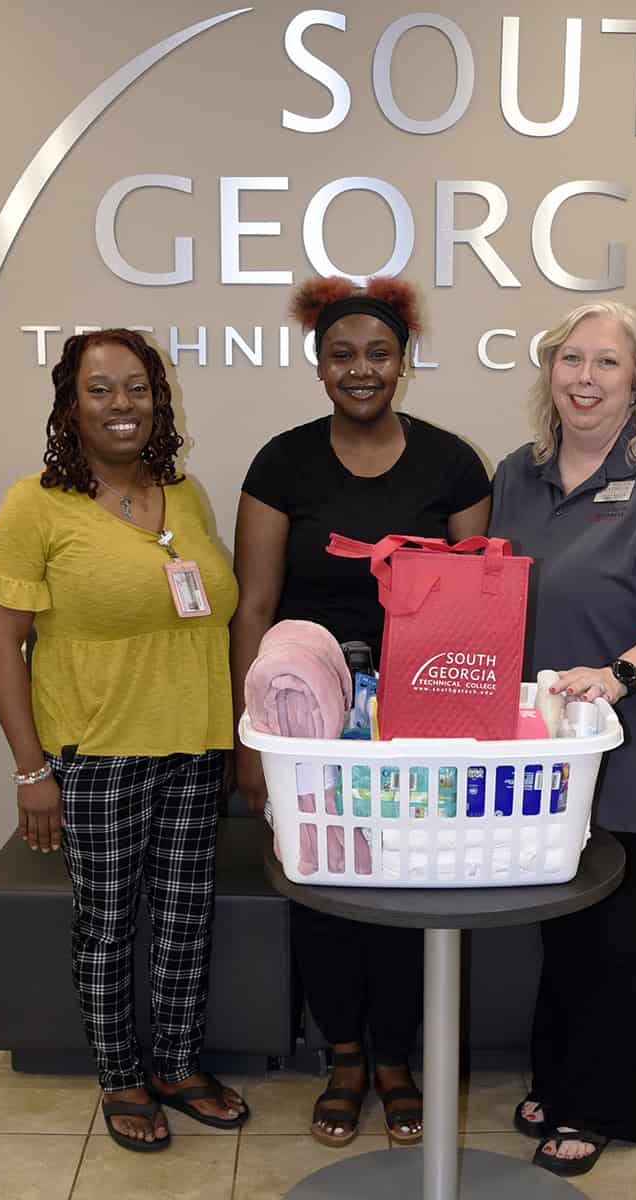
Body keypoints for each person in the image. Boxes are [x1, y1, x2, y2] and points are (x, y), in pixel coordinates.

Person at [0, 329, 248, 1153]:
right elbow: (0, 643)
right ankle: (120, 1075)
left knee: (185, 917)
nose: (121, 405)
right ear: (69, 403)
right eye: (100, 389)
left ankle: (176, 1063)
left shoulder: (184, 492)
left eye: (136, 388)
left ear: (158, 400)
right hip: (96, 755)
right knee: (106, 924)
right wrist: (31, 769)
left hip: (197, 744)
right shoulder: (36, 505)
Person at [231, 276, 491, 1146]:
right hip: (308, 725)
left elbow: (474, 612)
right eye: (342, 353)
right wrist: (253, 744)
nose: (361, 368)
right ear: (318, 366)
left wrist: (471, 729)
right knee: (323, 892)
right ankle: (342, 1055)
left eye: (378, 352)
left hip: (418, 717)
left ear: (404, 362)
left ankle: (395, 1060)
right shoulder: (282, 463)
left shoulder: (453, 464)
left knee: (408, 889)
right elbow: (254, 608)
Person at [489, 301, 636, 1178]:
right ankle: (557, 1078)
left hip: (634, 737)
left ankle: (601, 1105)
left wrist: (619, 675)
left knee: (621, 928)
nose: (584, 379)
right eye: (570, 360)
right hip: (543, 748)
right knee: (563, 921)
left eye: (607, 364)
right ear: (548, 371)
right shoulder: (517, 474)